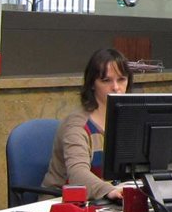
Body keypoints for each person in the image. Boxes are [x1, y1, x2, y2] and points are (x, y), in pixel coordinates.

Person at [43, 48, 132, 201]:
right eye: (106, 80)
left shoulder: (128, 121)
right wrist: (109, 190)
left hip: (107, 201)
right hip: (62, 202)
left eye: (121, 79)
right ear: (92, 84)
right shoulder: (77, 126)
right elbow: (77, 174)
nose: (116, 87)